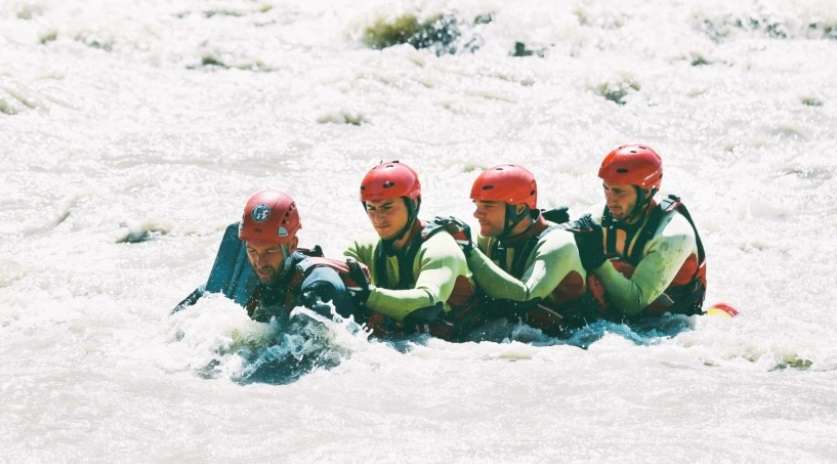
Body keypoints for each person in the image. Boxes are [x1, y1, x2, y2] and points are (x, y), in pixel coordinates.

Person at [174, 190, 368, 324]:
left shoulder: (319, 287)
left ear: (292, 245)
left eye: (270, 252)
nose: (259, 262)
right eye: (252, 251)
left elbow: (305, 359)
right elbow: (179, 320)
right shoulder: (251, 271)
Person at [444, 164, 587, 335]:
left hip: (571, 339)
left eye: (488, 206)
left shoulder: (558, 242)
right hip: (523, 332)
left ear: (519, 208)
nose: (477, 214)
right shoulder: (491, 236)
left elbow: (525, 296)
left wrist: (469, 250)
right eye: (477, 205)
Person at [570, 144, 707, 318]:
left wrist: (598, 261)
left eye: (619, 191)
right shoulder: (600, 215)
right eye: (606, 188)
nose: (610, 200)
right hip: (617, 316)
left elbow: (633, 304)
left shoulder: (673, 235)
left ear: (646, 191)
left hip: (666, 325)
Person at [343, 161, 477, 339]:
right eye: (371, 208)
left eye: (387, 207)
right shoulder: (362, 249)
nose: (378, 218)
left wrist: (369, 296)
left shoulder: (440, 249)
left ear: (413, 204)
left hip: (467, 341)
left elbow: (428, 303)